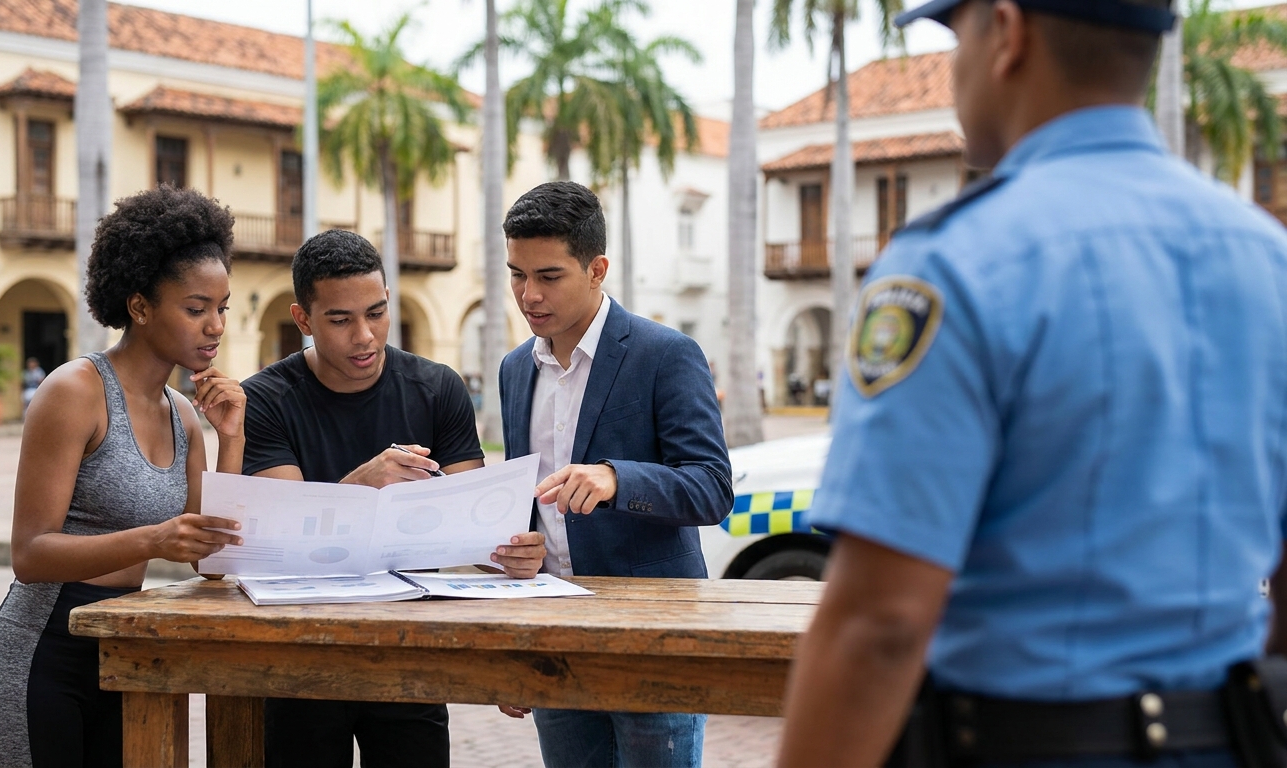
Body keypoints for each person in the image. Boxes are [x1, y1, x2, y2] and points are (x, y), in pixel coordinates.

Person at [776, 1, 1287, 766]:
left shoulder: (955, 265)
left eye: (957, 36)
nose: (952, 68)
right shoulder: (1266, 256)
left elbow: (880, 623)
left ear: (1008, 33)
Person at [0, 185, 248, 767]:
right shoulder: (74, 393)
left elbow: (212, 562)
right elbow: (30, 552)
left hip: (122, 659)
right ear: (140, 307)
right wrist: (153, 540)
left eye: (222, 307)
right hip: (37, 660)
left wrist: (231, 439)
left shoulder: (186, 416)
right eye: (196, 308)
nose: (214, 325)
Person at [239, 228, 546, 768]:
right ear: (303, 319)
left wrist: (507, 554)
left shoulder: (437, 387)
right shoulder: (265, 399)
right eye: (340, 320)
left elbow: (474, 532)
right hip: (301, 654)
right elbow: (282, 539)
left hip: (411, 653)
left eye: (377, 312)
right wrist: (363, 484)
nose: (365, 336)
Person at [495, 181, 732, 768]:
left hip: (653, 634)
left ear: (597, 268)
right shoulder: (513, 369)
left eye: (548, 276)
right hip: (554, 631)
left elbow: (712, 486)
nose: (528, 295)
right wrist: (513, 635)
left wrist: (616, 478)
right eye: (517, 274)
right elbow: (528, 506)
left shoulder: (666, 354)